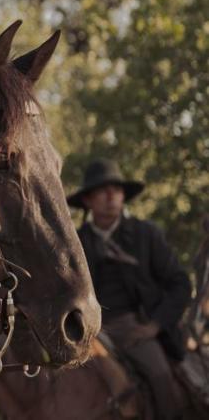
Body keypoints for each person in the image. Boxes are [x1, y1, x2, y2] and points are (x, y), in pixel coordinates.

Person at [68, 158, 192, 419]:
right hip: (89, 333)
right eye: (103, 190)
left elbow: (180, 284)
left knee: (160, 375)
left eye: (117, 188)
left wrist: (155, 325)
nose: (112, 195)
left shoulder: (146, 234)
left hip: (137, 327)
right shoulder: (75, 243)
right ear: (88, 200)